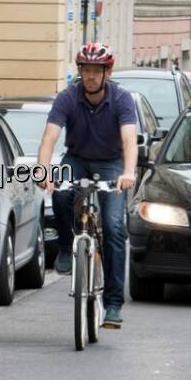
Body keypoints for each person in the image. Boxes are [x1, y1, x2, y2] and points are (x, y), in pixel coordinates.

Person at [37, 42, 139, 330]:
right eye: (86, 70)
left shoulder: (121, 99)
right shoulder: (68, 97)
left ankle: (114, 304)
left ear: (108, 72)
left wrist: (128, 172)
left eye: (97, 70)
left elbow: (130, 140)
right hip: (77, 158)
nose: (91, 76)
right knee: (59, 193)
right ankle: (68, 247)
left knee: (114, 225)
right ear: (79, 71)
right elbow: (49, 137)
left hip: (112, 163)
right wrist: (44, 169)